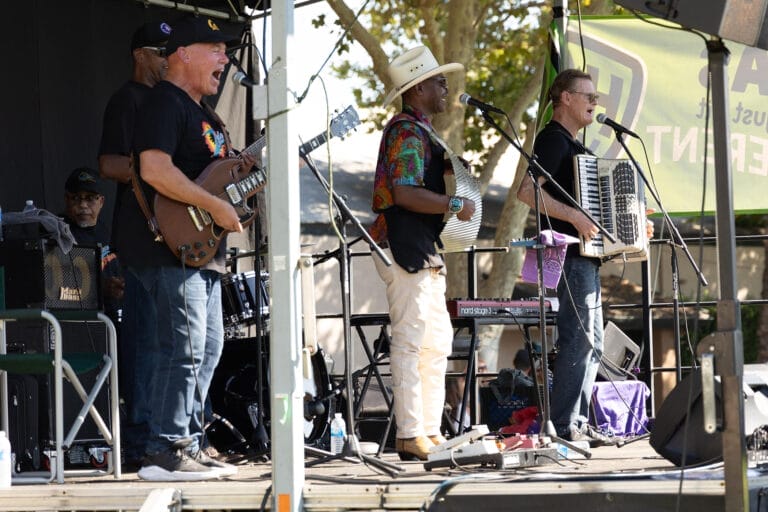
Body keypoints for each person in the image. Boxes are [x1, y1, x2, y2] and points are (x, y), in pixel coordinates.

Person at [118, 16, 254, 481]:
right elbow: (154, 169)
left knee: (207, 346)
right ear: (183, 53)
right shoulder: (164, 103)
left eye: (226, 50)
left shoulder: (207, 115)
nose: (225, 59)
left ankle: (187, 443)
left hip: (201, 251)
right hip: (169, 248)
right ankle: (165, 449)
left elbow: (222, 174)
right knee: (185, 347)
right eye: (215, 49)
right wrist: (215, 206)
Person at [516, 69, 652, 446]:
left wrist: (636, 228)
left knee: (590, 340)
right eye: (588, 96)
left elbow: (598, 208)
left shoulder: (573, 146)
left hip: (586, 256)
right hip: (570, 254)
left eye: (596, 97)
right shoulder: (553, 140)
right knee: (580, 340)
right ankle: (563, 427)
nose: (595, 103)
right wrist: (575, 216)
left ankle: (573, 422)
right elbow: (527, 192)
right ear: (565, 99)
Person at [369, 46, 475, 461]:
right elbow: (405, 193)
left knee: (435, 341)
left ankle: (427, 430)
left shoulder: (421, 132)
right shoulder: (406, 133)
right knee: (413, 339)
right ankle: (411, 431)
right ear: (416, 89)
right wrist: (452, 204)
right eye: (438, 81)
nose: (446, 87)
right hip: (405, 247)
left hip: (421, 247)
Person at [97, 20, 170, 470]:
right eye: (161, 52)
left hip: (172, 237)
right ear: (140, 55)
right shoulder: (128, 99)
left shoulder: (170, 103)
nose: (167, 60)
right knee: (144, 340)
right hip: (139, 238)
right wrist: (157, 169)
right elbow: (107, 164)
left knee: (169, 342)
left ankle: (171, 435)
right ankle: (140, 439)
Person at [61, 167, 124, 319]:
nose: (83, 205)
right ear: (66, 199)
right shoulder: (58, 232)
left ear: (101, 201)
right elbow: (57, 287)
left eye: (90, 198)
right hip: (77, 321)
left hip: (114, 318)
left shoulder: (109, 232)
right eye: (76, 198)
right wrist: (99, 288)